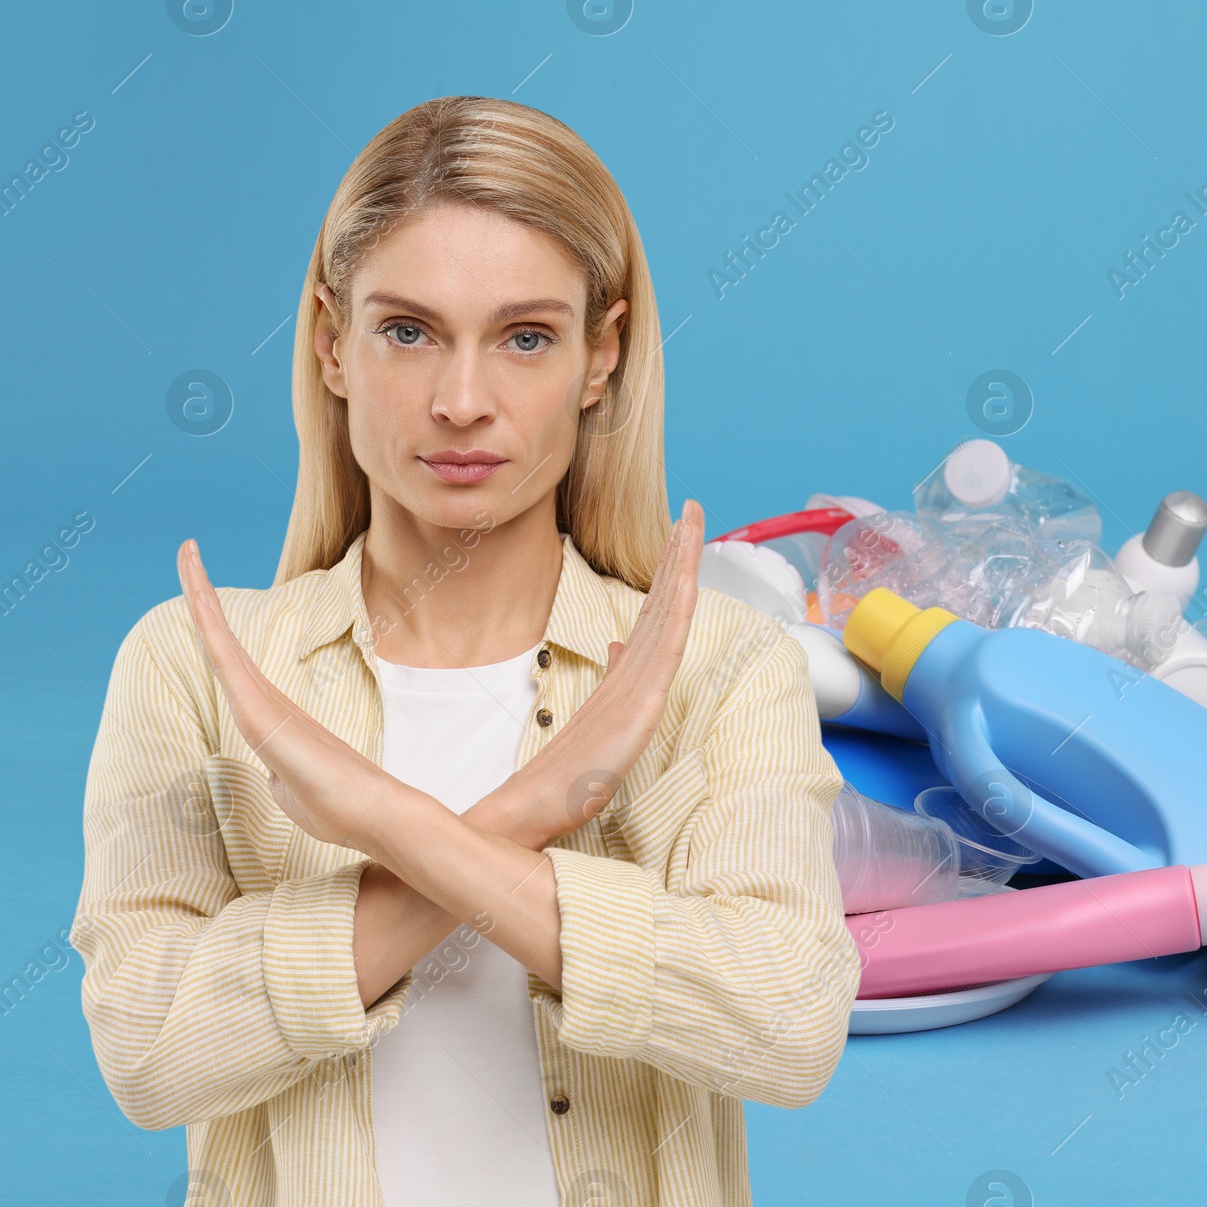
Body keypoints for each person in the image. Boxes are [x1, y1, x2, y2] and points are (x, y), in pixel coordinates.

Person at [71, 96, 859, 1207]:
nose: (460, 402)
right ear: (331, 343)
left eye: (526, 337)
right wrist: (534, 807)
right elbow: (149, 1054)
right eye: (408, 331)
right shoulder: (196, 667)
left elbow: (786, 1025)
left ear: (603, 356)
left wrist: (384, 818)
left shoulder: (714, 666)